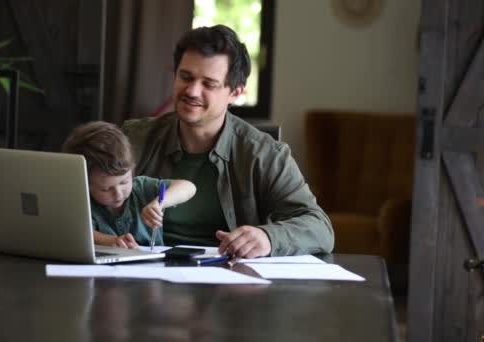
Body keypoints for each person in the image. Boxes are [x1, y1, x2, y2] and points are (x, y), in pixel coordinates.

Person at [122, 25, 334, 258]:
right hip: (143, 276)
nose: (192, 91)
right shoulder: (135, 138)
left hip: (228, 279)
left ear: (235, 93)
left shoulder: (264, 154)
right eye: (186, 77)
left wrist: (268, 237)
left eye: (209, 84)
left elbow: (319, 227)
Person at [62, 121, 196, 248]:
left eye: (124, 182)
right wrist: (113, 241)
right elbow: (81, 234)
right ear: (85, 183)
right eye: (105, 189)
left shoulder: (141, 188)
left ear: (132, 169)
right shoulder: (85, 203)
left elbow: (188, 187)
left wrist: (161, 202)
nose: (118, 194)